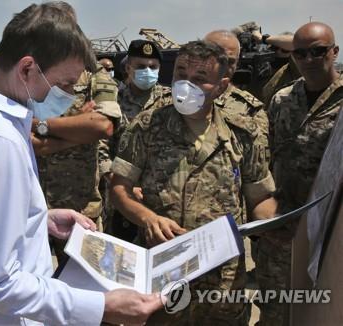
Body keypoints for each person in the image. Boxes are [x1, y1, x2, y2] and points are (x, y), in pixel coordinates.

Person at [0, 3, 162, 325]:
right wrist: (101, 306)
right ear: (27, 69)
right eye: (65, 84)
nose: (68, 96)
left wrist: (37, 220)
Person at [110, 40, 277, 325]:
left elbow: (260, 198)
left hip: (222, 285)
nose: (186, 85)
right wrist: (148, 218)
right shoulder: (147, 126)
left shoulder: (243, 133)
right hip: (164, 276)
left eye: (200, 79)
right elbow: (119, 189)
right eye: (180, 75)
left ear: (223, 86)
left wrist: (275, 222)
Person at [257, 22, 342, 326]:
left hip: (329, 231)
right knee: (274, 309)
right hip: (282, 226)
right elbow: (264, 158)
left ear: (334, 52)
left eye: (318, 52)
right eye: (300, 53)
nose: (309, 59)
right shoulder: (281, 100)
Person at [31, 1, 121, 266]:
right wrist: (77, 125)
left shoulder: (94, 74)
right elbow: (26, 140)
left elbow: (102, 126)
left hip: (80, 208)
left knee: (87, 289)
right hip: (28, 207)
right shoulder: (26, 73)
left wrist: (41, 125)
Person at [100, 39, 173, 241]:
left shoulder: (171, 101)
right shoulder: (112, 100)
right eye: (141, 66)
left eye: (152, 67)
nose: (147, 71)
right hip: (120, 196)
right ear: (128, 67)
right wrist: (115, 180)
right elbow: (100, 146)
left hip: (161, 197)